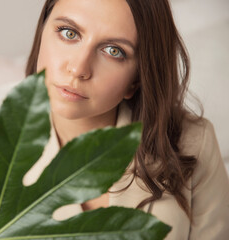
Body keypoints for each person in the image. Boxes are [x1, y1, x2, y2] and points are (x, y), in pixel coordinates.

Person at [23, 0, 229, 239]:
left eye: (113, 51)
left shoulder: (194, 142)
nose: (79, 68)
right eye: (69, 33)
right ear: (42, 32)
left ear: (136, 79)